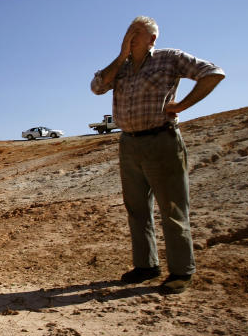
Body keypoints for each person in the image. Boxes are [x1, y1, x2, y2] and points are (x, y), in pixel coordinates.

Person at [91, 16, 225, 294]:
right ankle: (146, 266)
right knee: (136, 209)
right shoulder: (122, 67)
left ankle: (181, 271)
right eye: (128, 32)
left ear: (152, 38)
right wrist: (120, 56)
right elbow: (97, 87)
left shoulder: (169, 58)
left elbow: (213, 72)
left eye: (136, 33)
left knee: (172, 209)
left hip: (162, 141)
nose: (130, 37)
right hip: (129, 144)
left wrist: (183, 105)